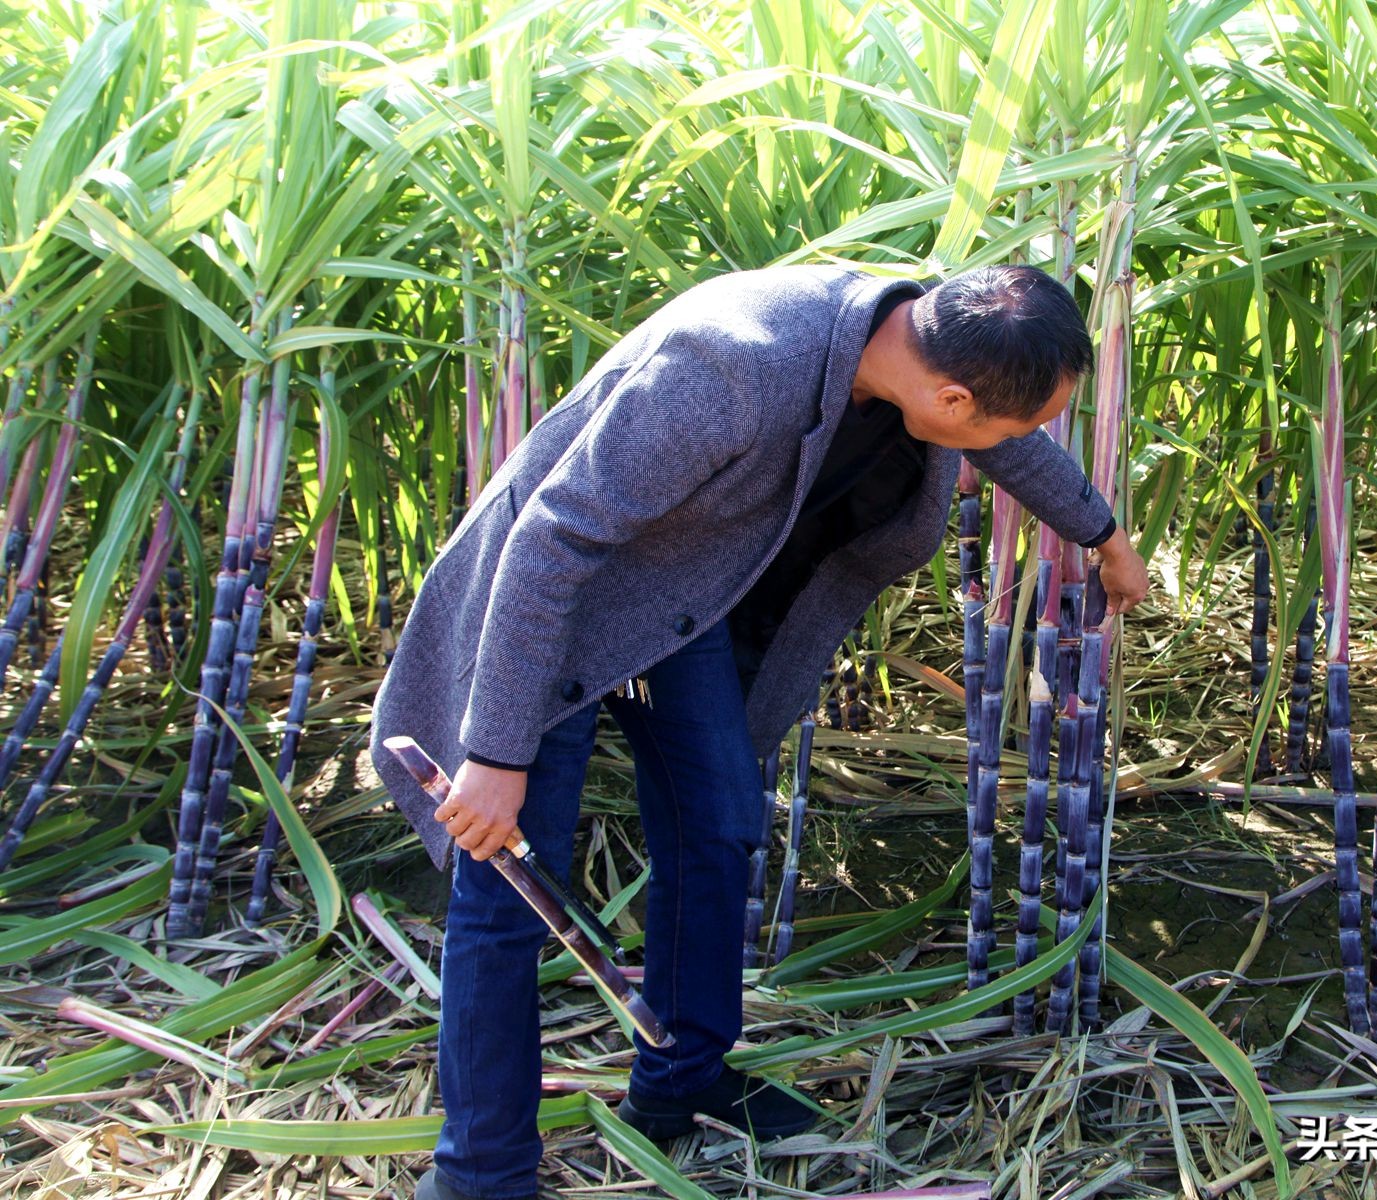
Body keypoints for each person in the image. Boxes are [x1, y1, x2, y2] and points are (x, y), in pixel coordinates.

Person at [368, 263, 1150, 1200]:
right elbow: (553, 539)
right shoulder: (729, 365)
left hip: (681, 598)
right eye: (1010, 423)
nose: (1017, 444)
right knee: (510, 881)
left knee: (720, 823)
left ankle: (682, 1084)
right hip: (548, 615)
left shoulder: (920, 335)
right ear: (947, 396)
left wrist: (1103, 533)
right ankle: (478, 1175)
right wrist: (496, 754)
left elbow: (1001, 434)